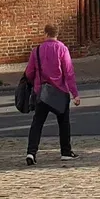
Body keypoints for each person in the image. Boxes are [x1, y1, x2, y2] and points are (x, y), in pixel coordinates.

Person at [22, 24, 80, 165]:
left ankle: (31, 152)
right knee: (63, 122)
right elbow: (68, 72)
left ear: (46, 33)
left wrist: (31, 83)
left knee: (37, 123)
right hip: (60, 92)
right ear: (57, 34)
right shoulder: (62, 49)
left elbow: (29, 72)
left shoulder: (36, 51)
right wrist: (75, 94)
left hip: (42, 92)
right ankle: (65, 151)